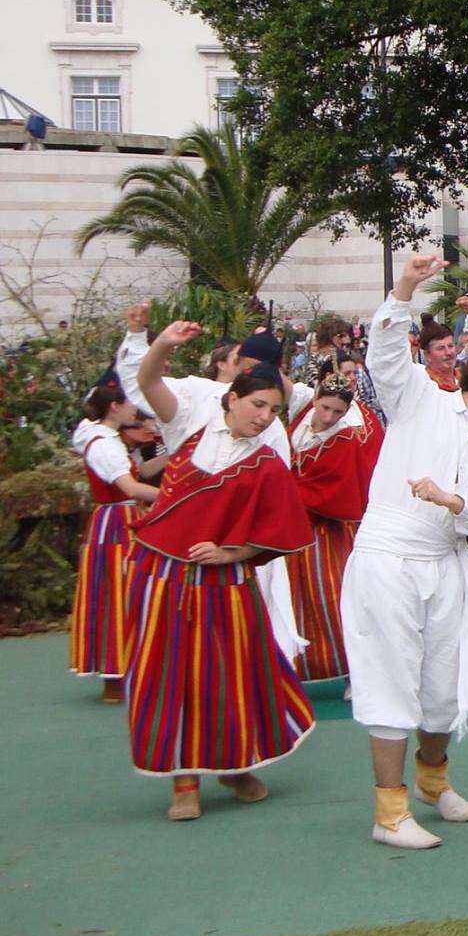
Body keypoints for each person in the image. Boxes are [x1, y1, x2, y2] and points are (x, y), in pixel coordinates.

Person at [342, 253, 468, 851]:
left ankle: (432, 779)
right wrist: (404, 286)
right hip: (387, 559)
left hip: (446, 566)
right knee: (391, 681)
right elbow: (385, 356)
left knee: (445, 687)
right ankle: (389, 812)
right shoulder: (421, 401)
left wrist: (451, 501)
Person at [125, 321, 316, 821]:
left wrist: (229, 554)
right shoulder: (186, 428)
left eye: (273, 410)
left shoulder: (267, 462)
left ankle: (236, 764)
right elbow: (147, 385)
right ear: (231, 399)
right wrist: (162, 344)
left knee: (235, 677)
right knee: (170, 679)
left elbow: (283, 535)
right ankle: (183, 782)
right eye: (257, 405)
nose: (264, 417)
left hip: (227, 586)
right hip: (163, 580)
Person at [286, 374, 384, 683]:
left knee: (336, 599)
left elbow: (339, 491)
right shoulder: (301, 414)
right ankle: (292, 669)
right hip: (291, 528)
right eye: (325, 408)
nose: (328, 417)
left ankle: (355, 672)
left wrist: (288, 490)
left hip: (330, 531)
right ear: (315, 399)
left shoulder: (349, 437)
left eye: (337, 412)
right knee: (289, 599)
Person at [69, 386, 161, 701]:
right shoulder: (103, 445)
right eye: (128, 404)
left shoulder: (106, 441)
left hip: (120, 520)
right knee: (117, 593)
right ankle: (117, 674)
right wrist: (173, 497)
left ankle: (130, 669)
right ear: (114, 406)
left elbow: (140, 473)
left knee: (125, 591)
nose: (134, 410)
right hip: (116, 524)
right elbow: (130, 487)